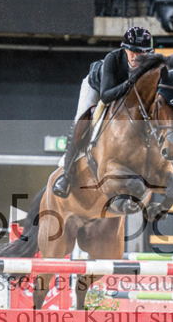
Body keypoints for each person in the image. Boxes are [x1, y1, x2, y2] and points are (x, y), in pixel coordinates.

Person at [51, 26, 154, 198]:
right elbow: (106, 96)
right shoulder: (112, 59)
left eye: (142, 53)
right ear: (125, 49)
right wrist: (130, 83)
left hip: (122, 95)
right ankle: (65, 174)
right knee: (82, 120)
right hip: (97, 88)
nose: (136, 57)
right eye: (133, 52)